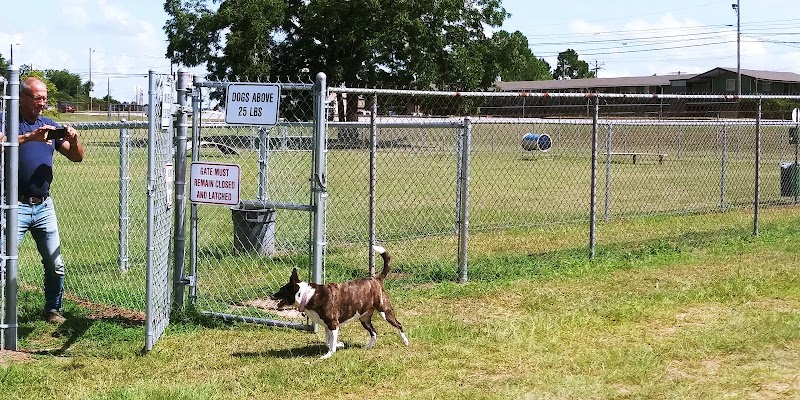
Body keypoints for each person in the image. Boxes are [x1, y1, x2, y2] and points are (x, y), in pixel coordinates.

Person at [15, 76, 84, 324]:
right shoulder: (8, 120)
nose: (42, 103)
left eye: (45, 98)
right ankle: (6, 313)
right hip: (14, 206)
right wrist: (29, 137)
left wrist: (74, 141)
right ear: (22, 97)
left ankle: (53, 310)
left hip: (43, 206)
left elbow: (76, 157)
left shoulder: (49, 126)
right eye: (37, 98)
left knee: (56, 264)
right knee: (4, 263)